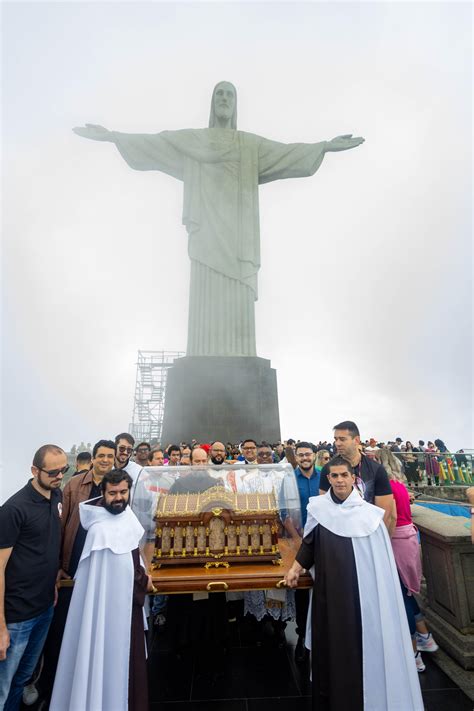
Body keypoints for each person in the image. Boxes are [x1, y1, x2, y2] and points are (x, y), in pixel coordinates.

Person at [74, 82, 363, 357]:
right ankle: (204, 352)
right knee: (206, 297)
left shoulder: (250, 145)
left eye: (230, 95)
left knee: (237, 301)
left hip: (239, 239)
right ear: (213, 103)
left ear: (235, 104)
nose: (224, 98)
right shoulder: (192, 141)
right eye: (219, 94)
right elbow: (155, 143)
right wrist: (113, 136)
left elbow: (286, 153)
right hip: (206, 238)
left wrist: (324, 146)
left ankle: (239, 353)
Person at [285, 456, 423, 711]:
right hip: (328, 595)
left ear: (353, 479)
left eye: (343, 476)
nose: (339, 480)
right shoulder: (318, 509)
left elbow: (380, 565)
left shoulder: (370, 517)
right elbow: (309, 545)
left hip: (362, 598)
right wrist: (295, 568)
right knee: (329, 650)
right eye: (334, 476)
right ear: (328, 479)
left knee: (360, 650)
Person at [50, 470, 153, 711]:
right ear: (103, 494)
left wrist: (142, 576)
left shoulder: (127, 517)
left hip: (128, 608)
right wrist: (141, 580)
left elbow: (133, 557)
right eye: (113, 493)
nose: (119, 498)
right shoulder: (99, 531)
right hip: (106, 613)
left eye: (123, 492)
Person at [36, 440, 117, 705]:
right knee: (61, 632)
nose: (105, 460)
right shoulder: (74, 485)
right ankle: (52, 689)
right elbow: (61, 525)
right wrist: (59, 564)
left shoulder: (117, 487)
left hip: (101, 571)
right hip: (72, 569)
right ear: (93, 458)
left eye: (110, 456)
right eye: (101, 455)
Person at [0, 444, 67, 711]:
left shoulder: (57, 495)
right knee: (3, 686)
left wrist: (52, 584)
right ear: (34, 470)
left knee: (22, 679)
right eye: (53, 472)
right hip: (16, 616)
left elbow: (47, 547)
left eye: (64, 470)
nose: (59, 476)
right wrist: (1, 626)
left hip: (44, 609)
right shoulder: (13, 509)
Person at [388, 470, 439, 673]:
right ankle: (425, 636)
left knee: (401, 595)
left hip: (396, 541)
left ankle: (414, 654)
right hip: (408, 539)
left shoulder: (387, 488)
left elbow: (390, 516)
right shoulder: (399, 486)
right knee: (406, 592)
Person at [281, 441, 320, 662]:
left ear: (314, 455)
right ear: (295, 457)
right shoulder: (288, 479)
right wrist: (298, 539)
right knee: (302, 589)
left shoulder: (325, 477)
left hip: (324, 542)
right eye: (301, 455)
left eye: (308, 454)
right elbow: (283, 512)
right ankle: (303, 636)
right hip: (297, 542)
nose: (305, 458)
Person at [320, 421, 396, 534]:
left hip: (369, 533)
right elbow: (324, 507)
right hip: (339, 533)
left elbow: (385, 512)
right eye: (336, 439)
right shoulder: (328, 469)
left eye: (342, 439)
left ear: (356, 440)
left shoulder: (376, 469)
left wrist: (375, 539)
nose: (337, 443)